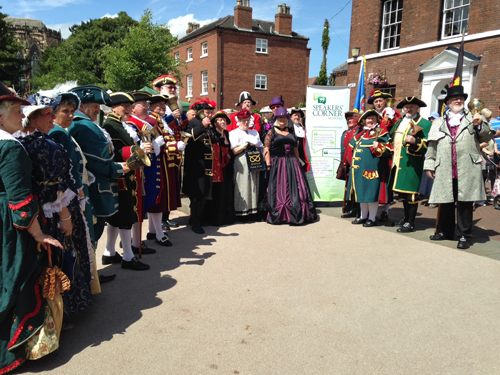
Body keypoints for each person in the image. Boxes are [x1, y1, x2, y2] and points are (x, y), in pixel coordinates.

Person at [0, 82, 62, 373]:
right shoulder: (10, 147)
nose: (20, 115)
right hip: (8, 226)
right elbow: (21, 203)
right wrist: (39, 234)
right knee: (17, 278)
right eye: (15, 110)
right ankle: (14, 346)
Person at [21, 92, 96, 324]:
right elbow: (54, 187)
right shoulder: (43, 144)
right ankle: (63, 314)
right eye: (47, 113)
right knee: (62, 259)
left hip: (41, 212)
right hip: (54, 213)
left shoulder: (26, 141)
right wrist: (65, 218)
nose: (52, 116)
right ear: (32, 118)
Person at [424, 85, 496, 249]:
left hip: (467, 166)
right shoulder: (439, 122)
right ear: (448, 102)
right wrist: (429, 164)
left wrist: (478, 125)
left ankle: (465, 235)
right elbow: (432, 146)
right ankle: (446, 232)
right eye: (455, 98)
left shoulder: (474, 117)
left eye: (461, 99)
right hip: (445, 166)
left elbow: (488, 134)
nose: (459, 100)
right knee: (446, 200)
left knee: (465, 203)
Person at [48, 90, 102, 290]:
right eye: (65, 111)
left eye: (72, 111)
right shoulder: (58, 133)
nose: (70, 115)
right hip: (72, 197)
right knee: (77, 242)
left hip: (77, 193)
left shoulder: (64, 131)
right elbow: (67, 169)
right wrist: (80, 195)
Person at [102, 91, 153, 271]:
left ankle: (109, 252)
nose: (129, 110)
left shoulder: (118, 124)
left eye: (131, 106)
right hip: (121, 174)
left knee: (119, 217)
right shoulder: (111, 125)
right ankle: (128, 257)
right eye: (126, 106)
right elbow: (113, 152)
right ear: (114, 107)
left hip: (127, 173)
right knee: (125, 215)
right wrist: (136, 149)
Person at [264, 107, 317, 224]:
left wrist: (297, 162)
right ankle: (281, 214)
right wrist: (268, 164)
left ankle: (298, 212)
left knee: (298, 188)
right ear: (277, 119)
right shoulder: (272, 131)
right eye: (280, 117)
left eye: (284, 117)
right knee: (281, 190)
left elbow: (295, 148)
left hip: (292, 162)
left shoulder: (291, 131)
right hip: (278, 163)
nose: (282, 119)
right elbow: (266, 148)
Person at [389, 97, 432, 232]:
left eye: (411, 106)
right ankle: (406, 218)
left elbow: (428, 144)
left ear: (417, 108)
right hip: (397, 163)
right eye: (406, 107)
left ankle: (410, 222)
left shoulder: (425, 124)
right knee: (402, 193)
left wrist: (415, 142)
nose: (408, 109)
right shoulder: (399, 122)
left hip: (412, 163)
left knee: (411, 194)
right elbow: (391, 138)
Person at [346, 109, 392, 227]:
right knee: (362, 193)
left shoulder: (382, 134)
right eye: (368, 119)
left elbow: (389, 151)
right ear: (364, 121)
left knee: (371, 194)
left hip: (373, 169)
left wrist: (379, 147)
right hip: (359, 169)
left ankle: (372, 218)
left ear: (377, 120)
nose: (370, 121)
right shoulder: (360, 134)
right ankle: (363, 216)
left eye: (373, 118)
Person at [148, 95, 185, 239]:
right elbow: (159, 143)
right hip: (160, 161)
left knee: (162, 197)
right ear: (151, 107)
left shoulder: (161, 119)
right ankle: (158, 232)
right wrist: (175, 146)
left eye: (164, 105)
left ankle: (153, 230)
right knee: (159, 196)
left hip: (167, 160)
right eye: (159, 105)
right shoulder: (152, 120)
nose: (162, 107)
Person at [182, 99, 217, 234]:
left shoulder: (209, 124)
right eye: (206, 112)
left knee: (204, 192)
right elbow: (189, 138)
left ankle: (198, 217)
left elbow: (214, 140)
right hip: (195, 164)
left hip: (206, 164)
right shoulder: (193, 122)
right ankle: (195, 220)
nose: (209, 115)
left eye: (210, 113)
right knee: (196, 193)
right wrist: (202, 126)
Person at [367, 90, 402, 222]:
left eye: (380, 101)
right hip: (373, 150)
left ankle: (386, 209)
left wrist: (392, 118)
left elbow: (397, 127)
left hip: (387, 151)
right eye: (376, 101)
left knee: (386, 180)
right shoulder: (372, 116)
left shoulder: (392, 113)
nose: (378, 103)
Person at [229, 109, 264, 220]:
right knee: (242, 184)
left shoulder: (254, 132)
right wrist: (245, 145)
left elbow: (261, 145)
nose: (245, 123)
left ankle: (253, 211)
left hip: (255, 160)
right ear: (238, 121)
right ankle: (241, 212)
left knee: (254, 185)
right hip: (242, 160)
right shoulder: (234, 133)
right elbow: (234, 151)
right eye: (243, 120)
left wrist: (256, 145)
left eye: (247, 120)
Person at [202, 111, 235, 226]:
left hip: (227, 166)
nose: (223, 122)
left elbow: (229, 147)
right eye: (220, 120)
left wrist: (230, 154)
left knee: (227, 191)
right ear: (215, 123)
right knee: (217, 193)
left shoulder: (227, 133)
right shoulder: (212, 133)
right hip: (217, 167)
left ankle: (227, 217)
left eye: (224, 120)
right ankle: (216, 219)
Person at [339, 109, 360, 218]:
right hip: (347, 164)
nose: (349, 121)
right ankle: (351, 208)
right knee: (349, 187)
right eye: (348, 119)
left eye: (352, 119)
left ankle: (358, 210)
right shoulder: (345, 133)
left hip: (356, 164)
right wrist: (343, 164)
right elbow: (342, 150)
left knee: (356, 187)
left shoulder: (359, 132)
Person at [290, 108, 310, 172]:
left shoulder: (302, 127)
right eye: (295, 115)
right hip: (292, 154)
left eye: (298, 116)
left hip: (301, 153)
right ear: (291, 117)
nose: (297, 117)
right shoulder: (289, 127)